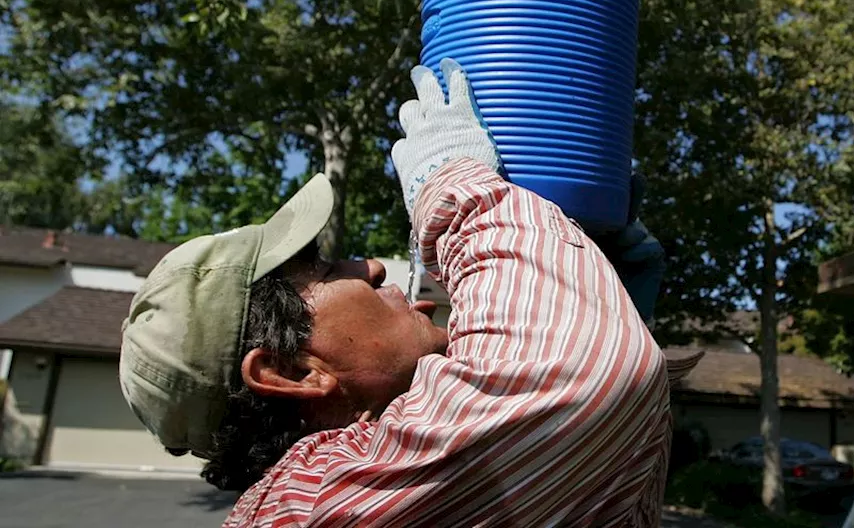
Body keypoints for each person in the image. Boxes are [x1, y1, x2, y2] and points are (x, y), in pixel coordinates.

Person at [119, 58, 700, 526]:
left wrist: (598, 290)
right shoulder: (318, 505)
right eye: (325, 272)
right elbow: (577, 375)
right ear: (289, 372)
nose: (372, 266)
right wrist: (459, 191)